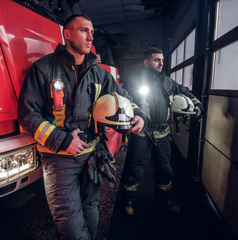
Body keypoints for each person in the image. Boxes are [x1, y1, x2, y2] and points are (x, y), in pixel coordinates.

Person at [17, 14, 147, 240]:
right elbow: (28, 115)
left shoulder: (99, 74)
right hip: (59, 159)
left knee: (90, 210)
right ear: (67, 34)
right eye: (84, 30)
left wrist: (139, 114)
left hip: (92, 158)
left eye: (92, 32)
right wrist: (64, 140)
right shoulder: (43, 69)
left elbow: (123, 98)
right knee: (69, 225)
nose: (90, 37)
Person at [120, 47, 203, 216]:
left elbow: (184, 91)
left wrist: (197, 104)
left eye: (162, 60)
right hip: (141, 134)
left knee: (165, 170)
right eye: (156, 60)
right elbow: (126, 99)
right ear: (146, 62)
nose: (161, 63)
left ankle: (164, 201)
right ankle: (128, 201)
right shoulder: (134, 79)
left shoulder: (168, 82)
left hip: (163, 134)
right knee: (134, 169)